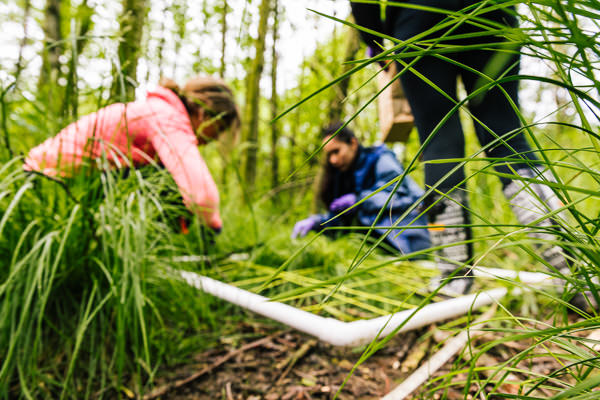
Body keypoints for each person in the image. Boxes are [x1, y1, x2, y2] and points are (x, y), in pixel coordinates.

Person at [350, 1, 569, 294]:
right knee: (506, 136)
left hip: (417, 19)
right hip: (493, 11)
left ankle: (455, 279)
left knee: (440, 146)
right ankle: (570, 269)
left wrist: (374, 40)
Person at [24, 76, 240, 232]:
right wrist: (213, 224)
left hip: (54, 180)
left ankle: (117, 240)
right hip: (49, 184)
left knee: (164, 179)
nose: (215, 139)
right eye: (219, 129)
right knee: (169, 184)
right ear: (205, 112)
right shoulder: (167, 117)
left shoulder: (157, 110)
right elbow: (201, 195)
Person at [292, 123, 430, 257]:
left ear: (353, 143)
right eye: (329, 155)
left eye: (336, 151)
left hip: (410, 239)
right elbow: (340, 220)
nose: (333, 160)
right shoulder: (343, 176)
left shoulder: (381, 158)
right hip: (378, 249)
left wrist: (360, 200)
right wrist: (317, 222)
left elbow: (398, 196)